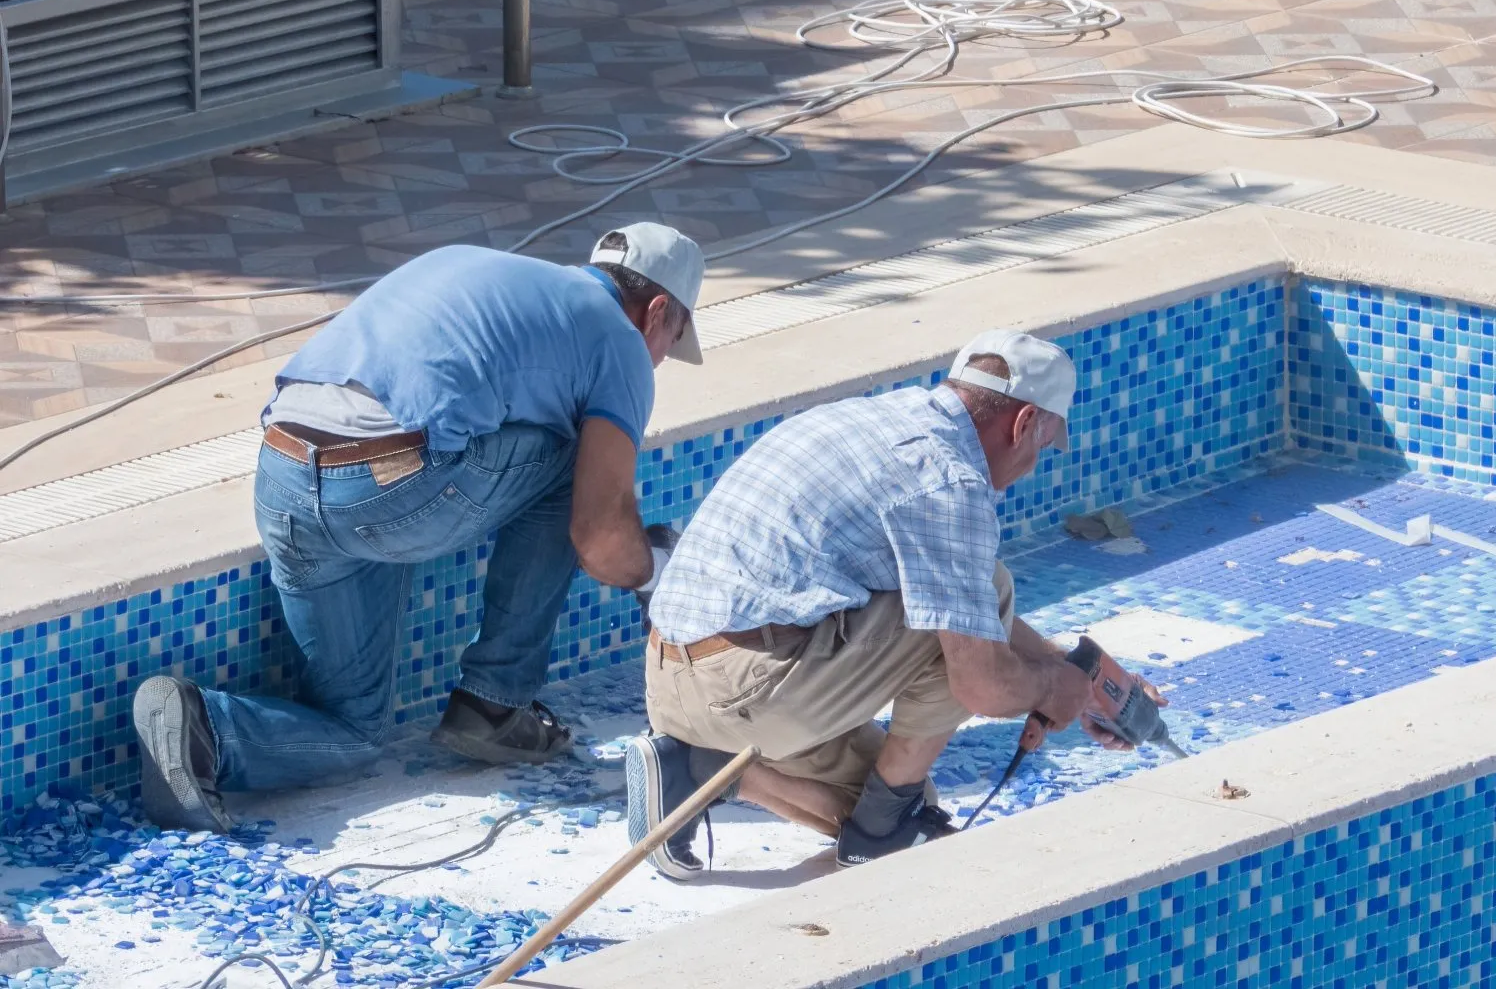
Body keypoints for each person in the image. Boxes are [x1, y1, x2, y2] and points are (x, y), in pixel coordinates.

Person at [131, 223, 706, 833]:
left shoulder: (485, 268)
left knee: (354, 733)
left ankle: (200, 724)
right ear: (657, 312)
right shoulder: (618, 339)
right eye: (672, 340)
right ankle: (494, 703)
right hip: (388, 488)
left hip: (283, 476)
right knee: (578, 467)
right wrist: (658, 577)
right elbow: (599, 537)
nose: (663, 358)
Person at [628, 328, 1154, 877]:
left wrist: (1078, 676)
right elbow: (982, 683)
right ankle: (879, 831)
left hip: (673, 681)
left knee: (914, 805)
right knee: (980, 600)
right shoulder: (948, 485)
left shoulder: (868, 421)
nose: (1032, 466)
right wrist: (1049, 687)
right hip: (748, 690)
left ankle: (696, 765)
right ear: (1023, 425)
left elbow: (951, 598)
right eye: (1043, 448)